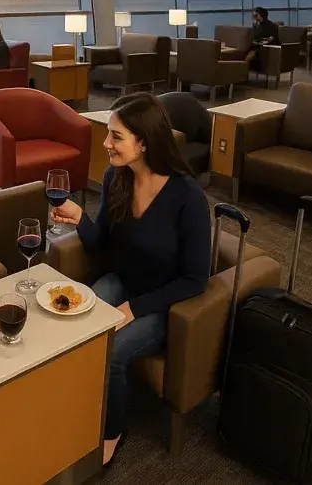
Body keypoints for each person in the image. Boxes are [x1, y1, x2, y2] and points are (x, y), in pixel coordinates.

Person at [51, 92, 210, 466]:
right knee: (75, 319)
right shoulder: (115, 177)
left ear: (144, 142)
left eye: (116, 136)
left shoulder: (187, 197)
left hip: (166, 302)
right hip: (125, 281)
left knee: (114, 351)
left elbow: (195, 279)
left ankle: (111, 431)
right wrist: (81, 218)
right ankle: (76, 402)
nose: (106, 143)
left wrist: (132, 309)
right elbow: (101, 243)